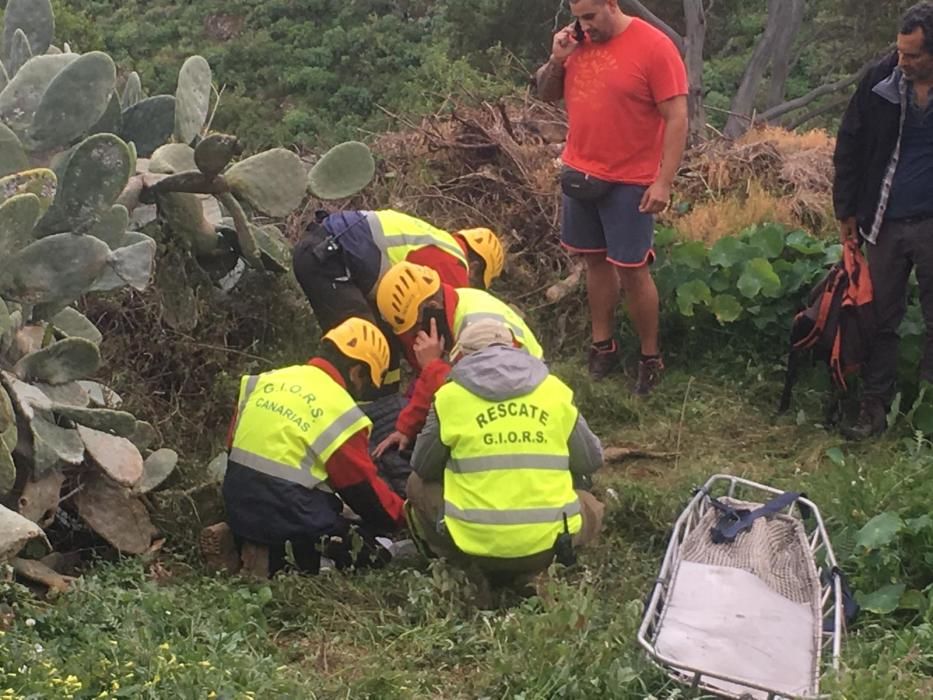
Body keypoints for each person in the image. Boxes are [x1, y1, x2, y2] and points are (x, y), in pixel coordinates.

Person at [536, 0, 688, 392]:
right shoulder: (576, 42)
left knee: (633, 270)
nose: (585, 26)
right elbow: (546, 93)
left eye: (591, 16)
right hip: (581, 173)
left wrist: (663, 182)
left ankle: (650, 357)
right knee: (594, 263)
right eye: (579, 17)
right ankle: (602, 346)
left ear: (611, 4)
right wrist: (557, 59)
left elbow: (676, 116)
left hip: (631, 180)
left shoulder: (654, 47)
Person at [199, 317, 406, 578]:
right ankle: (292, 563)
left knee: (313, 500)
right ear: (356, 372)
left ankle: (243, 543)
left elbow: (233, 447)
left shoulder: (264, 381)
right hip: (288, 519)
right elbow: (364, 493)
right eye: (366, 383)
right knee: (372, 550)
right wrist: (403, 514)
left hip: (238, 503)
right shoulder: (340, 410)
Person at [405, 319, 605, 586]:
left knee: (416, 485)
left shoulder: (449, 397)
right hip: (548, 546)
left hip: (476, 548)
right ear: (515, 348)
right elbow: (591, 460)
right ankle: (541, 573)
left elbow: (423, 466)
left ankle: (461, 570)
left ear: (462, 355)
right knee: (589, 501)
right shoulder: (553, 390)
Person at [834, 2, 933, 439]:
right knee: (879, 318)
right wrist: (846, 211)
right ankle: (872, 411)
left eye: (913, 55)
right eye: (900, 51)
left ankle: (924, 416)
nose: (903, 61)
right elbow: (850, 144)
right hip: (885, 221)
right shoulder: (880, 80)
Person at [292, 209, 505, 391]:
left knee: (384, 352)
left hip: (326, 252)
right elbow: (424, 331)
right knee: (361, 351)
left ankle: (381, 415)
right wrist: (429, 373)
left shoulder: (436, 241)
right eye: (477, 283)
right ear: (475, 268)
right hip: (330, 259)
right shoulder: (453, 265)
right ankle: (332, 414)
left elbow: (406, 321)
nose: (471, 290)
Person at [372, 262, 543, 457]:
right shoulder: (454, 308)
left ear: (432, 309)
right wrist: (406, 429)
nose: (415, 337)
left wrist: (432, 366)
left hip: (523, 398)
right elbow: (442, 380)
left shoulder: (477, 327)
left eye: (416, 327)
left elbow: (473, 398)